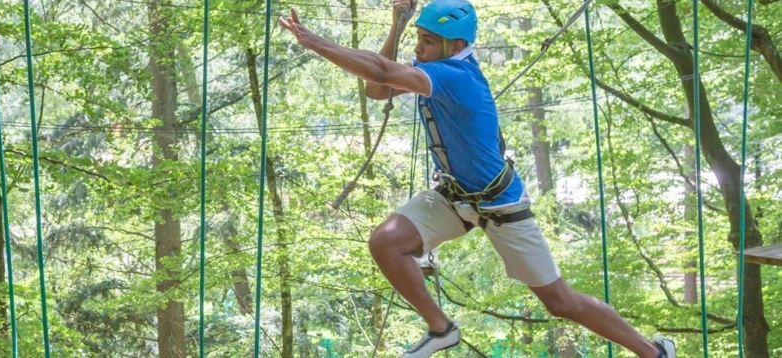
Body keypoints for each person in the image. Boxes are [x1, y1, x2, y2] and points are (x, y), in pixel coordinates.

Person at [278, 0, 678, 357]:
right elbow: (378, 89)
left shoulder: (456, 77)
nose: (418, 49)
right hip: (454, 195)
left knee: (559, 302)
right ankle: (441, 330)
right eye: (418, 38)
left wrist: (315, 42)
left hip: (500, 204)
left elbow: (382, 71)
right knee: (387, 241)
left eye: (427, 41)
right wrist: (397, 25)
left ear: (454, 46)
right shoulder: (435, 69)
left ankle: (653, 353)